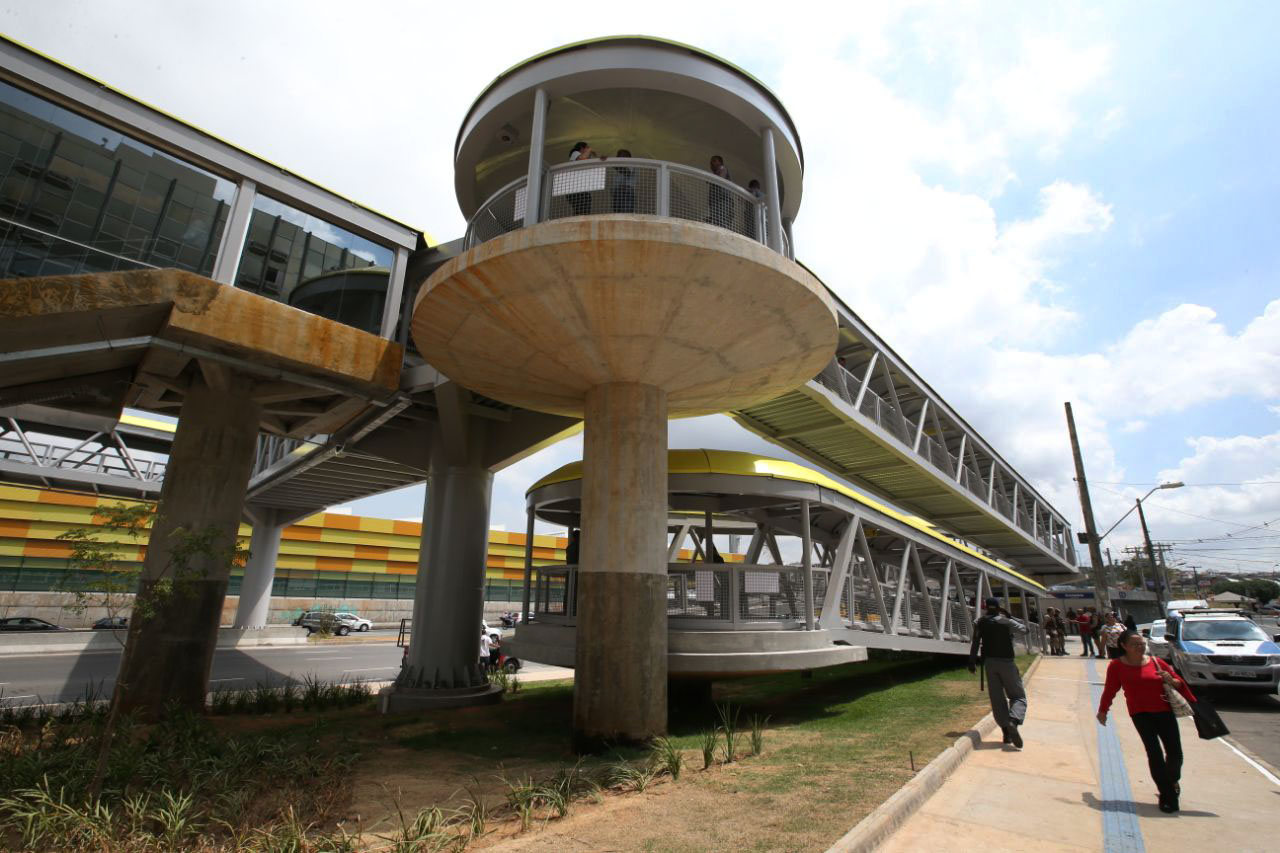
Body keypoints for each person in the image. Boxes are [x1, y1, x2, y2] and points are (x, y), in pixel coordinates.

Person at [1096, 629, 1195, 813]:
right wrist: (1103, 710)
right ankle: (1167, 796)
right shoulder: (1117, 666)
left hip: (1164, 713)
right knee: (1154, 754)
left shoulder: (1156, 662)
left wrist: (1170, 680)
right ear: (1124, 646)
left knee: (1175, 754)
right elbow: (1110, 689)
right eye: (1134, 644)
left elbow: (1179, 683)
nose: (1139, 647)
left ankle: (1171, 780)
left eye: (1141, 643)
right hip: (1140, 714)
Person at [968, 596, 1029, 748]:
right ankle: (1013, 721)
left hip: (990, 663)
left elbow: (975, 642)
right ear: (999, 607)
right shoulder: (1005, 621)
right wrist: (1010, 616)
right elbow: (1025, 630)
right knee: (1018, 696)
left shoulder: (979, 622)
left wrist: (972, 661)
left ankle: (1006, 733)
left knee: (997, 699)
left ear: (985, 607)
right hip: (1007, 662)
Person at [566, 142, 599, 216]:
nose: (588, 150)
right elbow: (583, 158)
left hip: (579, 189)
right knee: (581, 209)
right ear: (581, 148)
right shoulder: (575, 153)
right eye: (586, 147)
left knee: (582, 209)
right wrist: (590, 149)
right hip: (575, 189)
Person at [707, 155, 733, 229]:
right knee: (717, 223)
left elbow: (720, 178)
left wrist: (710, 179)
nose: (712, 163)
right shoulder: (714, 174)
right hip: (715, 203)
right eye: (711, 161)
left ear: (720, 162)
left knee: (722, 222)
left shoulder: (722, 168)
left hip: (723, 201)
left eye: (714, 161)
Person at [611, 149, 636, 213]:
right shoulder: (617, 165)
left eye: (619, 155)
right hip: (617, 192)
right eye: (618, 155)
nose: (617, 156)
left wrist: (613, 164)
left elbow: (627, 172)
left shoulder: (631, 163)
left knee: (626, 214)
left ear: (627, 156)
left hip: (627, 192)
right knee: (617, 214)